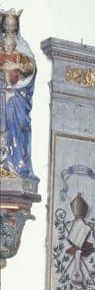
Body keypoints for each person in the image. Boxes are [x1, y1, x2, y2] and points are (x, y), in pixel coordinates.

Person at [0, 10, 37, 178]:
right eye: (6, 25)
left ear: (17, 26)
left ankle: (16, 162)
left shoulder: (22, 47)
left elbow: (31, 69)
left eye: (12, 25)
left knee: (18, 125)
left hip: (16, 95)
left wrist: (16, 67)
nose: (9, 28)